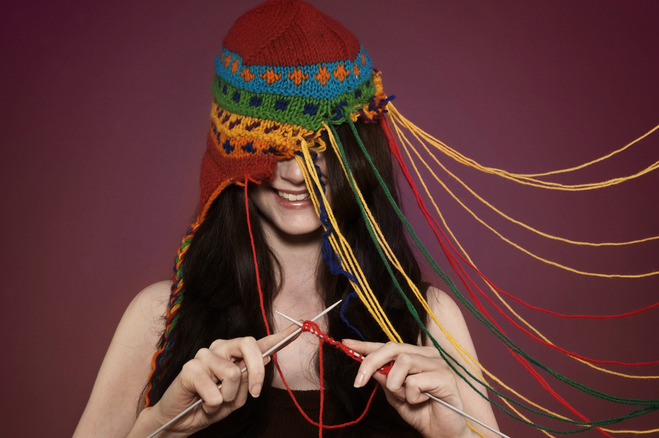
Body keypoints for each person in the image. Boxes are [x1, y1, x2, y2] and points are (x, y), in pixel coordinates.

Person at [74, 0, 499, 436]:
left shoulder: (430, 319)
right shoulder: (158, 319)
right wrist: (161, 427)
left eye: (319, 148)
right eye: (274, 149)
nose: (296, 174)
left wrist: (456, 436)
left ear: (359, 150)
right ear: (229, 156)